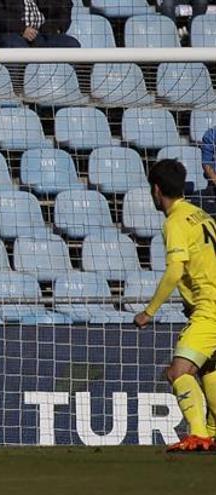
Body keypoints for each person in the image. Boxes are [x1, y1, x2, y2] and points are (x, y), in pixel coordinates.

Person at [134, 158, 216, 453]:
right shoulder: (202, 215)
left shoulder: (175, 222)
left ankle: (198, 435)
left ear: (156, 190)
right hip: (208, 306)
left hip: (211, 309)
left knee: (178, 371)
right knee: (209, 368)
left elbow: (174, 270)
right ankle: (211, 433)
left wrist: (149, 311)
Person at [0, 0, 79, 48]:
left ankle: (84, 87)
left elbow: (64, 6)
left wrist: (56, 28)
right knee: (17, 46)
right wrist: (21, 29)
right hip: (9, 34)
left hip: (42, 34)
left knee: (71, 44)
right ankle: (18, 88)